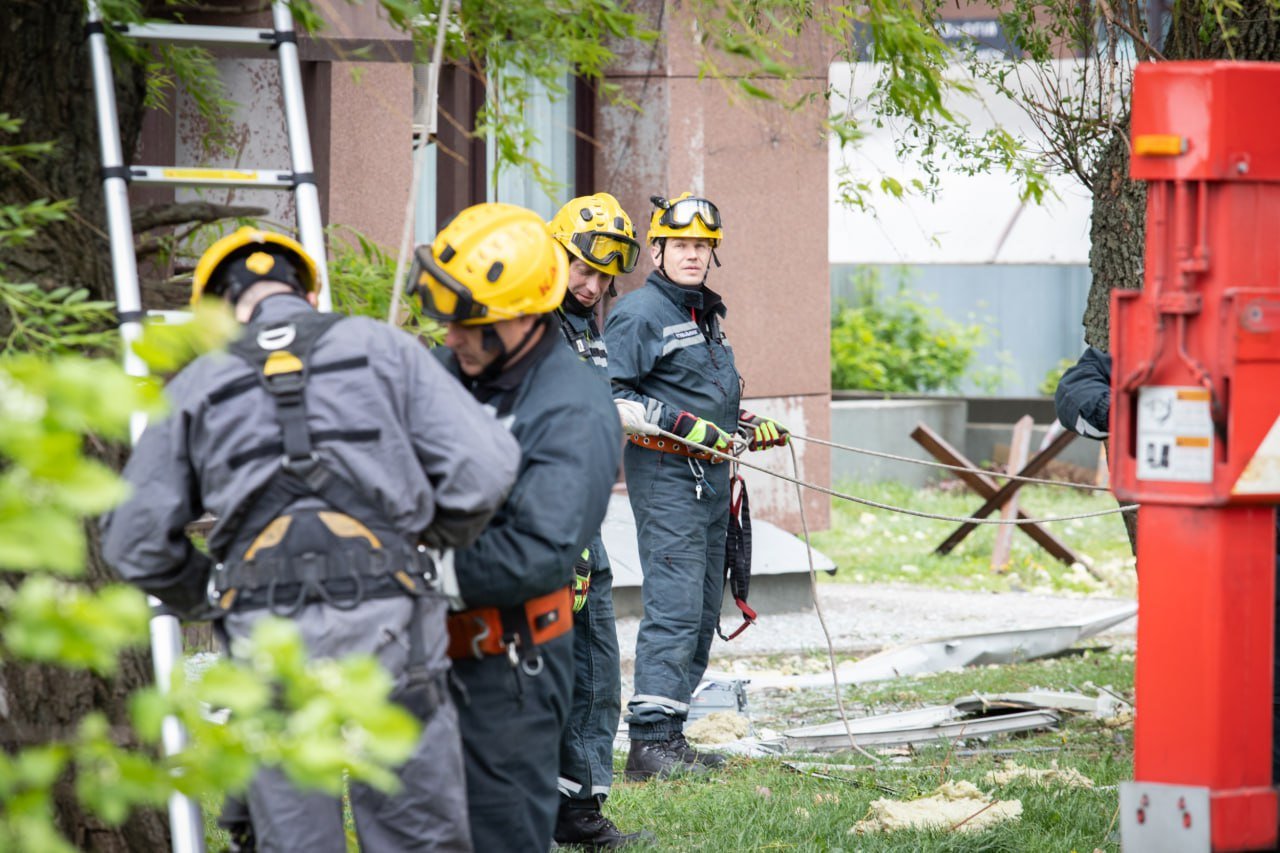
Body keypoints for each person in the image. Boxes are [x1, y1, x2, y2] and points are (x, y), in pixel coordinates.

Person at [101, 226, 522, 852]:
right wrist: (425, 538)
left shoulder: (198, 383)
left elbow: (132, 538)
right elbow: (486, 467)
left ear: (216, 309)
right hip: (391, 629)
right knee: (420, 837)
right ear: (306, 289)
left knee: (297, 840)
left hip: (270, 641)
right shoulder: (382, 348)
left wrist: (207, 595)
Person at [411, 202, 623, 852]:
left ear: (527, 313)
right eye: (447, 320)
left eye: (470, 323)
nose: (451, 336)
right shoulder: (458, 367)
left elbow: (538, 552)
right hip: (421, 658)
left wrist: (410, 570)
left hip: (508, 670)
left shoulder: (574, 409)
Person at [604, 193, 789, 781]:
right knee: (675, 607)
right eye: (681, 245)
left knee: (706, 604)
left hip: (710, 479)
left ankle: (672, 736)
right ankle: (649, 746)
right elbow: (613, 397)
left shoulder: (703, 317)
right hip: (665, 479)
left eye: (702, 247)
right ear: (657, 250)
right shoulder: (638, 314)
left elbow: (701, 397)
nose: (693, 256)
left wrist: (742, 425)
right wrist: (684, 425)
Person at [545, 193, 654, 848]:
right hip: (547, 524)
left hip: (585, 519)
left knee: (594, 666)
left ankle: (578, 806)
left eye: (603, 275)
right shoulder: (532, 325)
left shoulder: (585, 326)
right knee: (551, 670)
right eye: (580, 268)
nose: (591, 284)